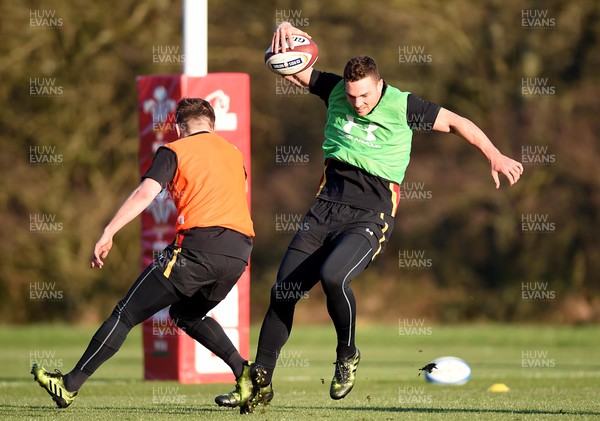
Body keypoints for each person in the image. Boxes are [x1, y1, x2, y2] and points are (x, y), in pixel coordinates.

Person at [216, 21, 524, 413]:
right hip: (325, 208)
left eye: (364, 95)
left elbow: (458, 122)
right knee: (282, 292)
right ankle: (259, 381)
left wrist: (494, 154)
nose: (357, 103)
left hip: (370, 214)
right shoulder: (335, 92)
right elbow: (294, 70)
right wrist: (286, 28)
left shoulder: (404, 105)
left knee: (332, 276)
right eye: (351, 95)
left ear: (379, 86)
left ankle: (347, 355)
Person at [31, 98, 256, 410]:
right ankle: (246, 372)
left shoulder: (175, 150)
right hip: (239, 254)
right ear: (213, 126)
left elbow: (145, 194)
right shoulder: (234, 153)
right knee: (186, 314)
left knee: (125, 314)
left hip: (197, 248)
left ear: (179, 128)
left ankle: (68, 386)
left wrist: (109, 231)